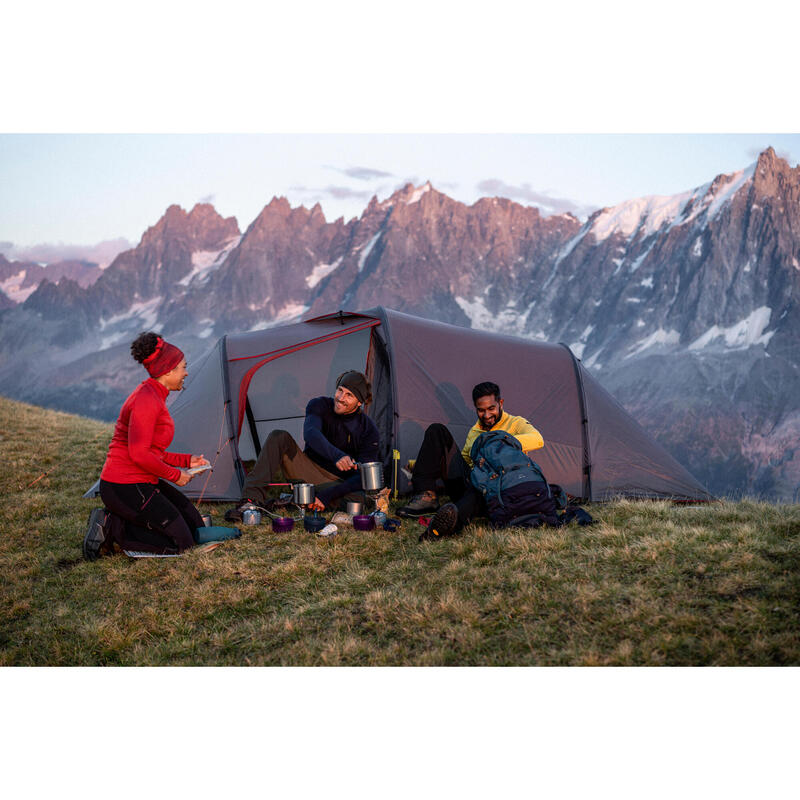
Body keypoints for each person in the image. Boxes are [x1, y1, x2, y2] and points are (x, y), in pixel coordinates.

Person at [83, 332, 211, 558]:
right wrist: (175, 475)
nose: (186, 373)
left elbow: (152, 450)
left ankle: (125, 521)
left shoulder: (154, 394)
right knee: (183, 544)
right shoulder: (146, 400)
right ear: (168, 370)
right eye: (183, 367)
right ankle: (111, 527)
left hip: (142, 481)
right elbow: (140, 454)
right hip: (123, 485)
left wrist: (185, 460)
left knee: (196, 525)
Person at [397, 381, 544, 539]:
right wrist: (419, 466)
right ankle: (427, 497)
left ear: (500, 403)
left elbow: (537, 439)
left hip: (496, 490)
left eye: (491, 409)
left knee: (481, 486)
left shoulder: (516, 423)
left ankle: (445, 525)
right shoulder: (475, 430)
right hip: (471, 483)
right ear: (475, 408)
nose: (486, 416)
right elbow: (464, 461)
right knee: (437, 430)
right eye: (481, 410)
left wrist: (500, 442)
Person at [225, 370, 380, 520]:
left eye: (349, 395)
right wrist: (337, 456)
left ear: (359, 402)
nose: (340, 398)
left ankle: (297, 500)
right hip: (308, 471)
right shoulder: (319, 405)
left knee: (358, 502)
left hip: (337, 483)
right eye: (340, 390)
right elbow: (311, 434)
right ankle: (250, 501)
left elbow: (364, 476)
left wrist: (327, 495)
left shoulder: (368, 429)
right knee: (279, 437)